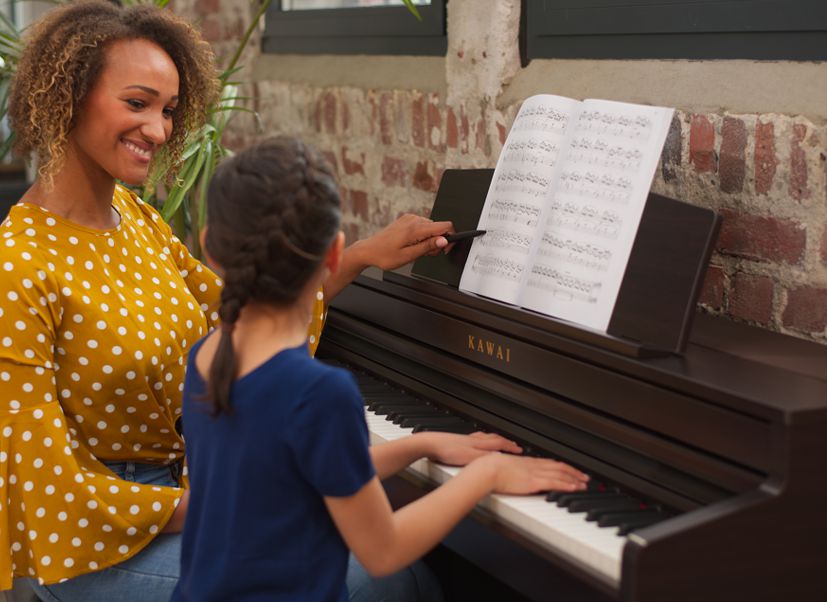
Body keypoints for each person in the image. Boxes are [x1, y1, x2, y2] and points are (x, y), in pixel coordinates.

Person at [0, 1, 488, 600]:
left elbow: (248, 314)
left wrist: (359, 255)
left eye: (168, 110)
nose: (158, 129)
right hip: (100, 543)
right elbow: (44, 488)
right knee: (375, 579)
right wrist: (231, 498)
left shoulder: (136, 219)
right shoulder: (17, 266)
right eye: (136, 103)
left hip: (193, 493)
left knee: (396, 570)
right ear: (68, 96)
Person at [173, 135, 590, 601]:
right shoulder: (319, 392)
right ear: (335, 253)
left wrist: (421, 444)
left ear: (210, 249)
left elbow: (298, 470)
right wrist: (485, 476)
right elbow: (383, 551)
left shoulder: (206, 357)